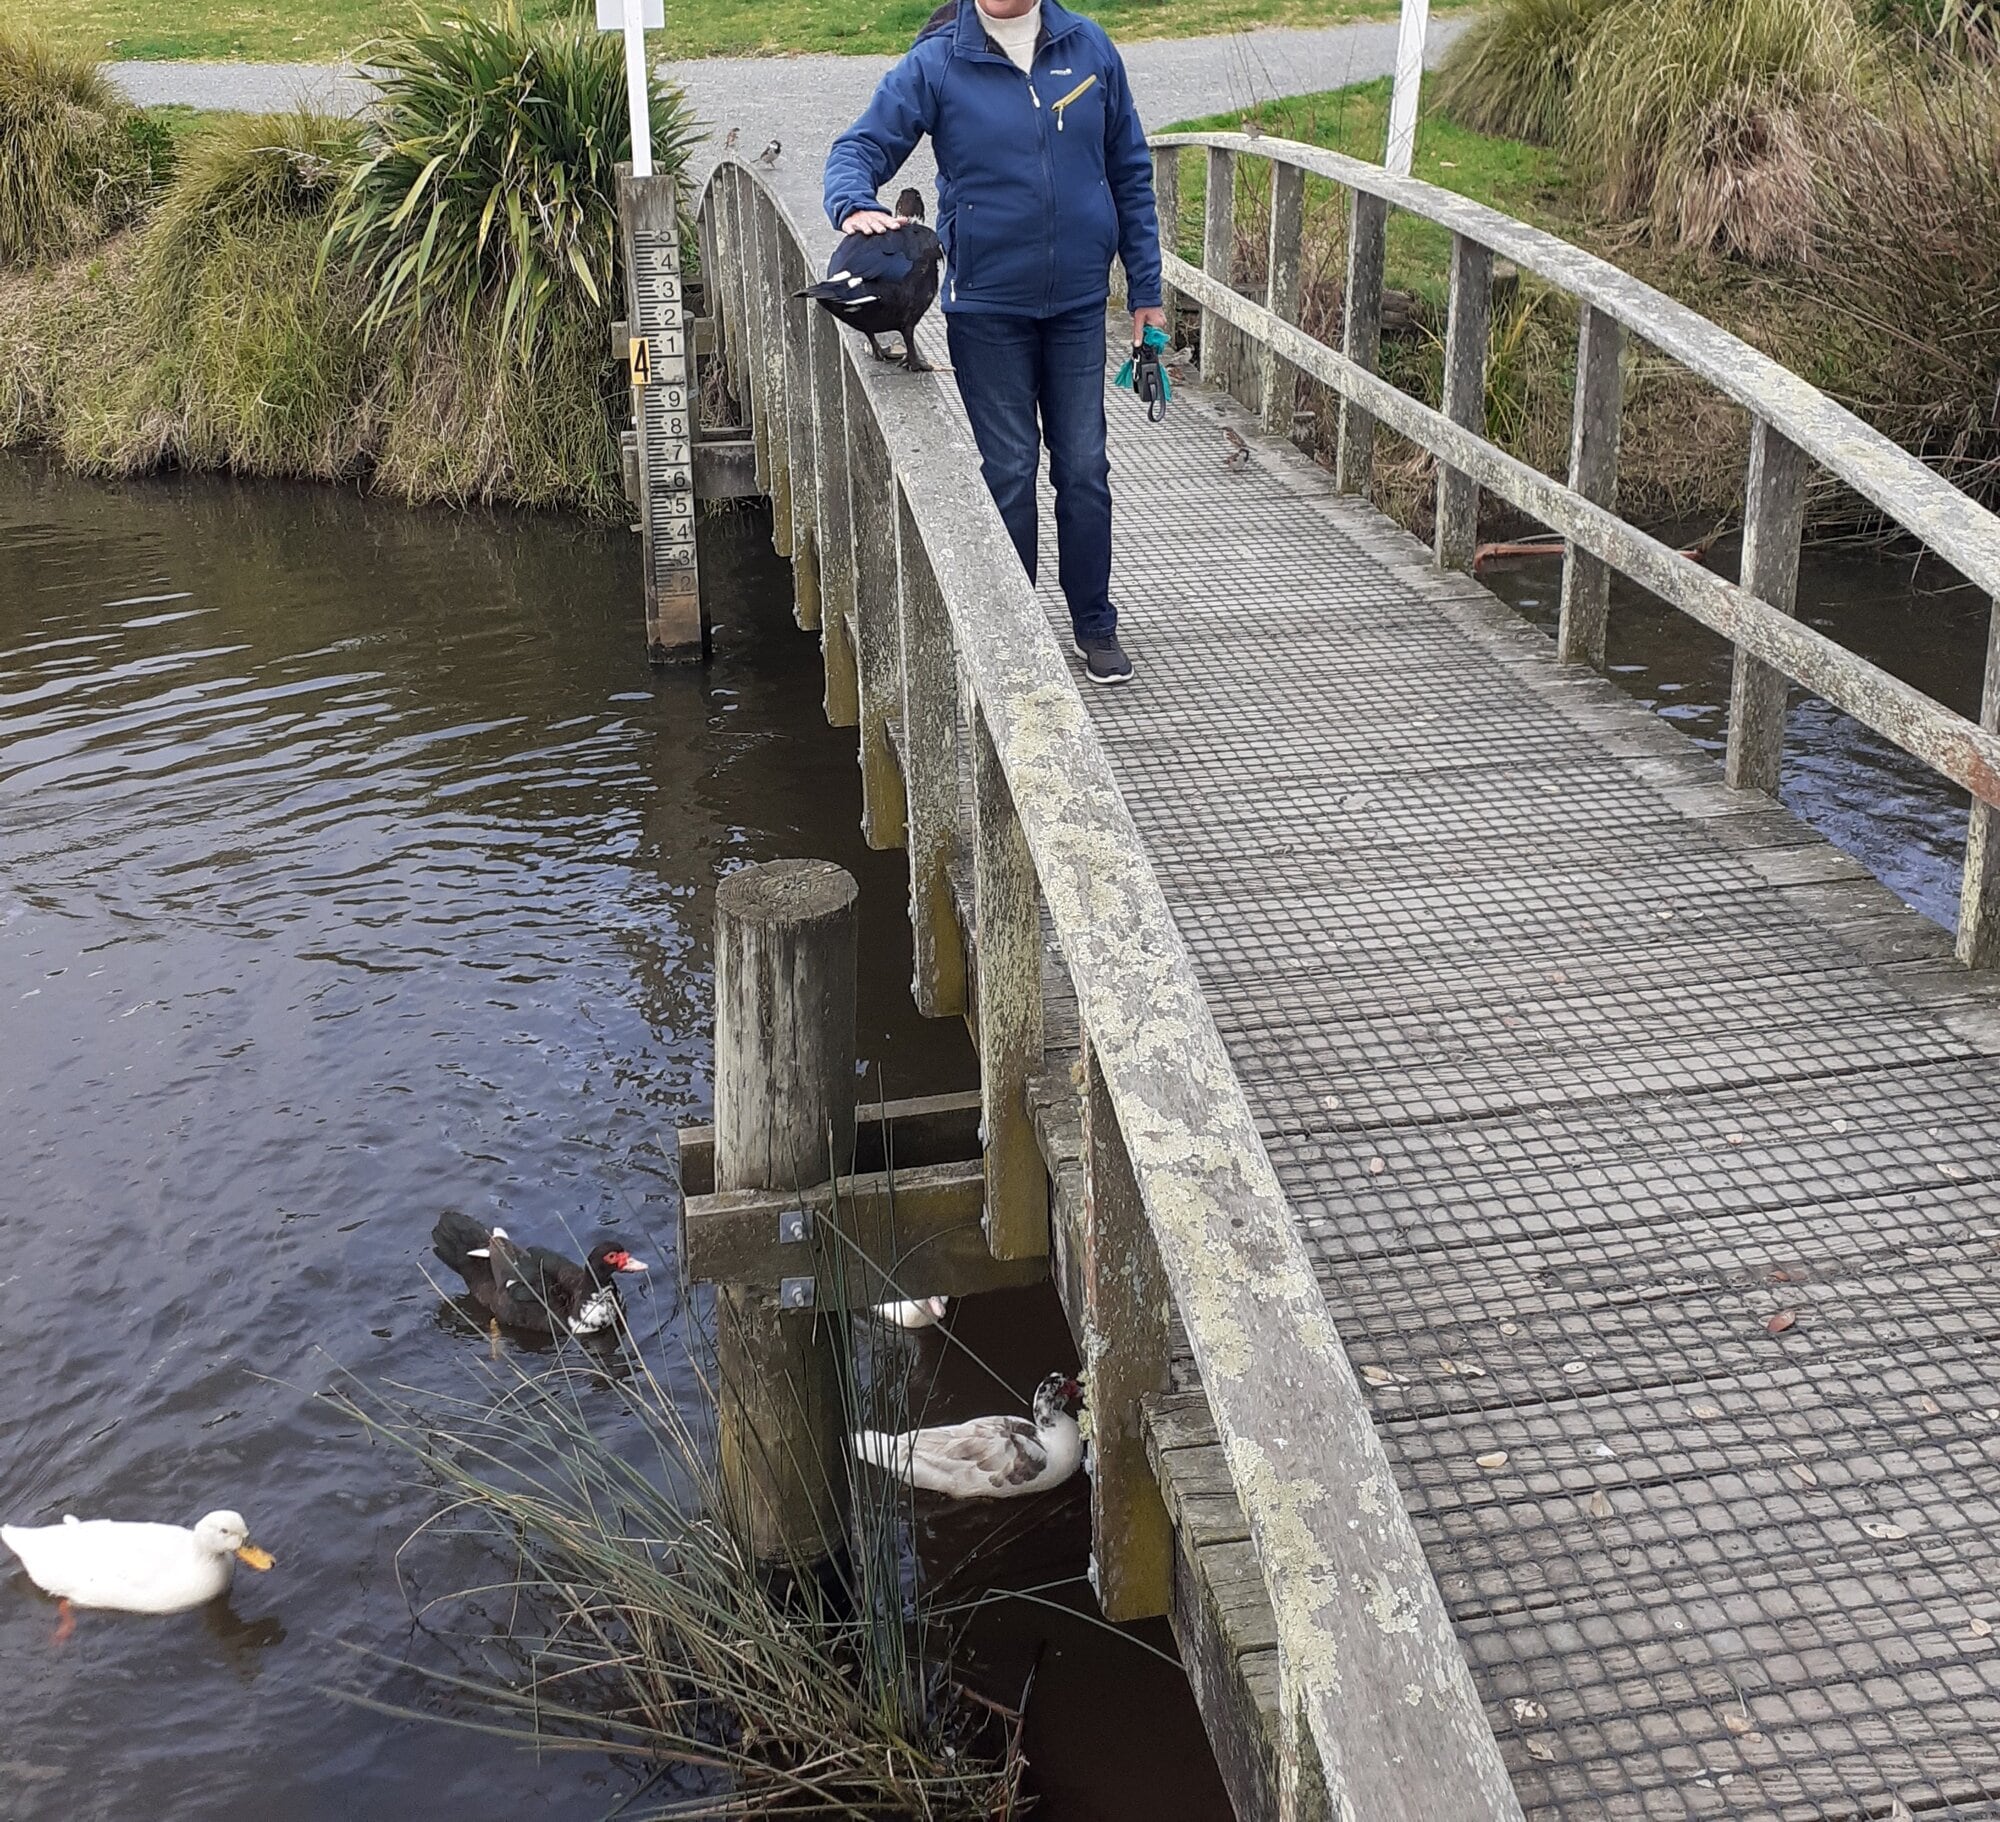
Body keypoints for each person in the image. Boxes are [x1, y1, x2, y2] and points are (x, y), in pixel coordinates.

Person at [822, 0, 1166, 687]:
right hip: (987, 311)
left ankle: (1094, 624)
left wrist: (1147, 294)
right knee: (1009, 471)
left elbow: (1130, 170)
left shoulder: (1089, 49)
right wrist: (853, 202)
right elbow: (857, 148)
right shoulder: (939, 60)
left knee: (1084, 468)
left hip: (1076, 307)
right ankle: (1018, 635)